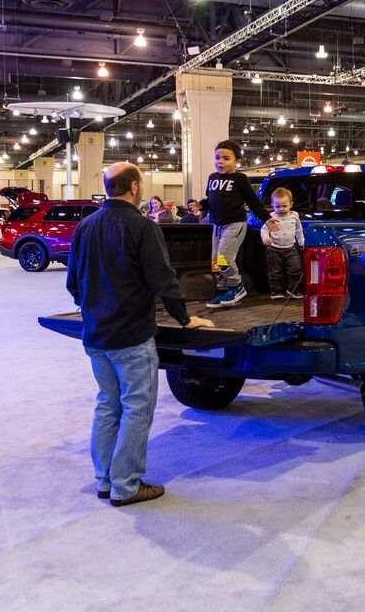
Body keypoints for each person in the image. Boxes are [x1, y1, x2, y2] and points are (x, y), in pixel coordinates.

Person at [66, 162, 215, 507]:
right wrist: (184, 318)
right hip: (132, 338)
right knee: (136, 409)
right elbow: (163, 280)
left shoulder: (85, 227)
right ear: (133, 187)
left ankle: (105, 480)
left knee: (107, 406)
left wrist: (94, 307)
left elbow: (73, 283)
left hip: (96, 337)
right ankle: (126, 485)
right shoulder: (142, 227)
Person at [205, 140, 278, 308]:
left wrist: (266, 218)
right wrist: (200, 205)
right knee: (216, 261)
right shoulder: (212, 178)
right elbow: (210, 200)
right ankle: (225, 289)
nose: (220, 161)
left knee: (224, 258)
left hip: (234, 224)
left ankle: (237, 287)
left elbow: (253, 202)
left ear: (237, 162)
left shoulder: (240, 179)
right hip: (218, 226)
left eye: (226, 158)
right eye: (217, 157)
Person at [260, 187, 305, 299]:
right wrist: (265, 238)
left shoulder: (295, 216)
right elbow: (264, 229)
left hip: (291, 248)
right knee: (275, 272)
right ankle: (276, 291)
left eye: (284, 206)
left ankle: (293, 290)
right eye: (277, 206)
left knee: (296, 269)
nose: (281, 209)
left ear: (291, 204)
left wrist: (302, 243)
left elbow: (299, 230)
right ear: (272, 205)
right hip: (274, 249)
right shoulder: (271, 217)